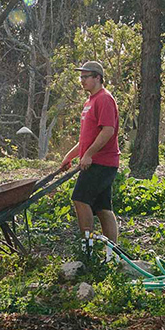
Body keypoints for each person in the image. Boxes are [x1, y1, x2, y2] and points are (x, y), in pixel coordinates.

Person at [61, 61, 120, 243]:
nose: (82, 80)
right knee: (103, 207)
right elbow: (86, 139)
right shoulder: (90, 101)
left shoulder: (104, 99)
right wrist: (69, 156)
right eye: (81, 77)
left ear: (98, 77)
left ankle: (87, 246)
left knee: (80, 199)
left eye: (86, 77)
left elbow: (108, 131)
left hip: (102, 162)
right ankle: (112, 252)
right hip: (97, 160)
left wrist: (88, 155)